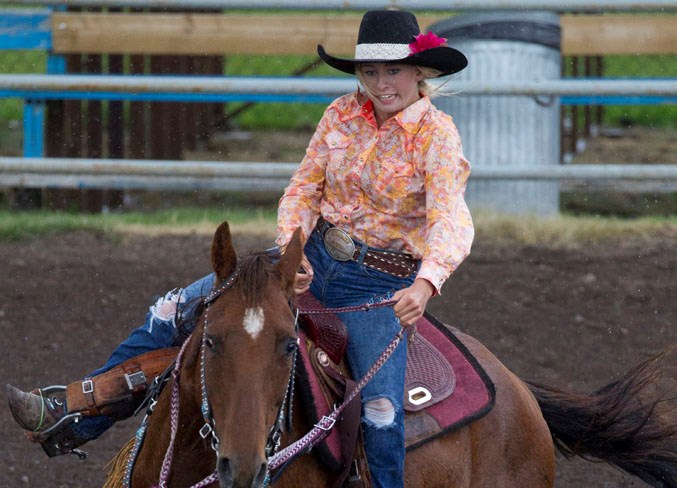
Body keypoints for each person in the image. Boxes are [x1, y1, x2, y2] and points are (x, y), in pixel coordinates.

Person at [8, 9, 473, 487]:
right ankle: (75, 412)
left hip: (379, 286)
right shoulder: (341, 114)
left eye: (392, 70)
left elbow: (450, 219)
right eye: (369, 71)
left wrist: (426, 281)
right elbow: (303, 190)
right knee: (174, 311)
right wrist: (290, 253)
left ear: (420, 72)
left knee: (379, 408)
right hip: (311, 259)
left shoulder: (436, 136)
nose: (380, 83)